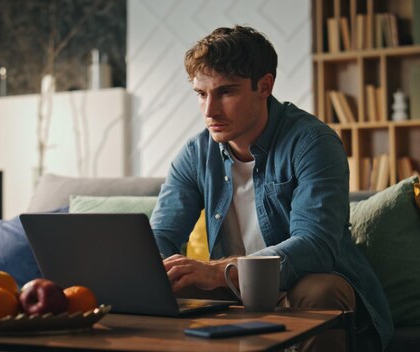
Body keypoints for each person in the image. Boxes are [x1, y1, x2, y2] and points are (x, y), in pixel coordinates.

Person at [149, 25, 393, 351]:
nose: (210, 111)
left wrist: (221, 270)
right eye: (201, 94)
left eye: (226, 92)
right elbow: (160, 237)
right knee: (171, 287)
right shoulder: (196, 154)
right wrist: (157, 272)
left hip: (301, 284)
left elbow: (315, 246)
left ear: (264, 86)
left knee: (321, 291)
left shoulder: (312, 143)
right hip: (233, 290)